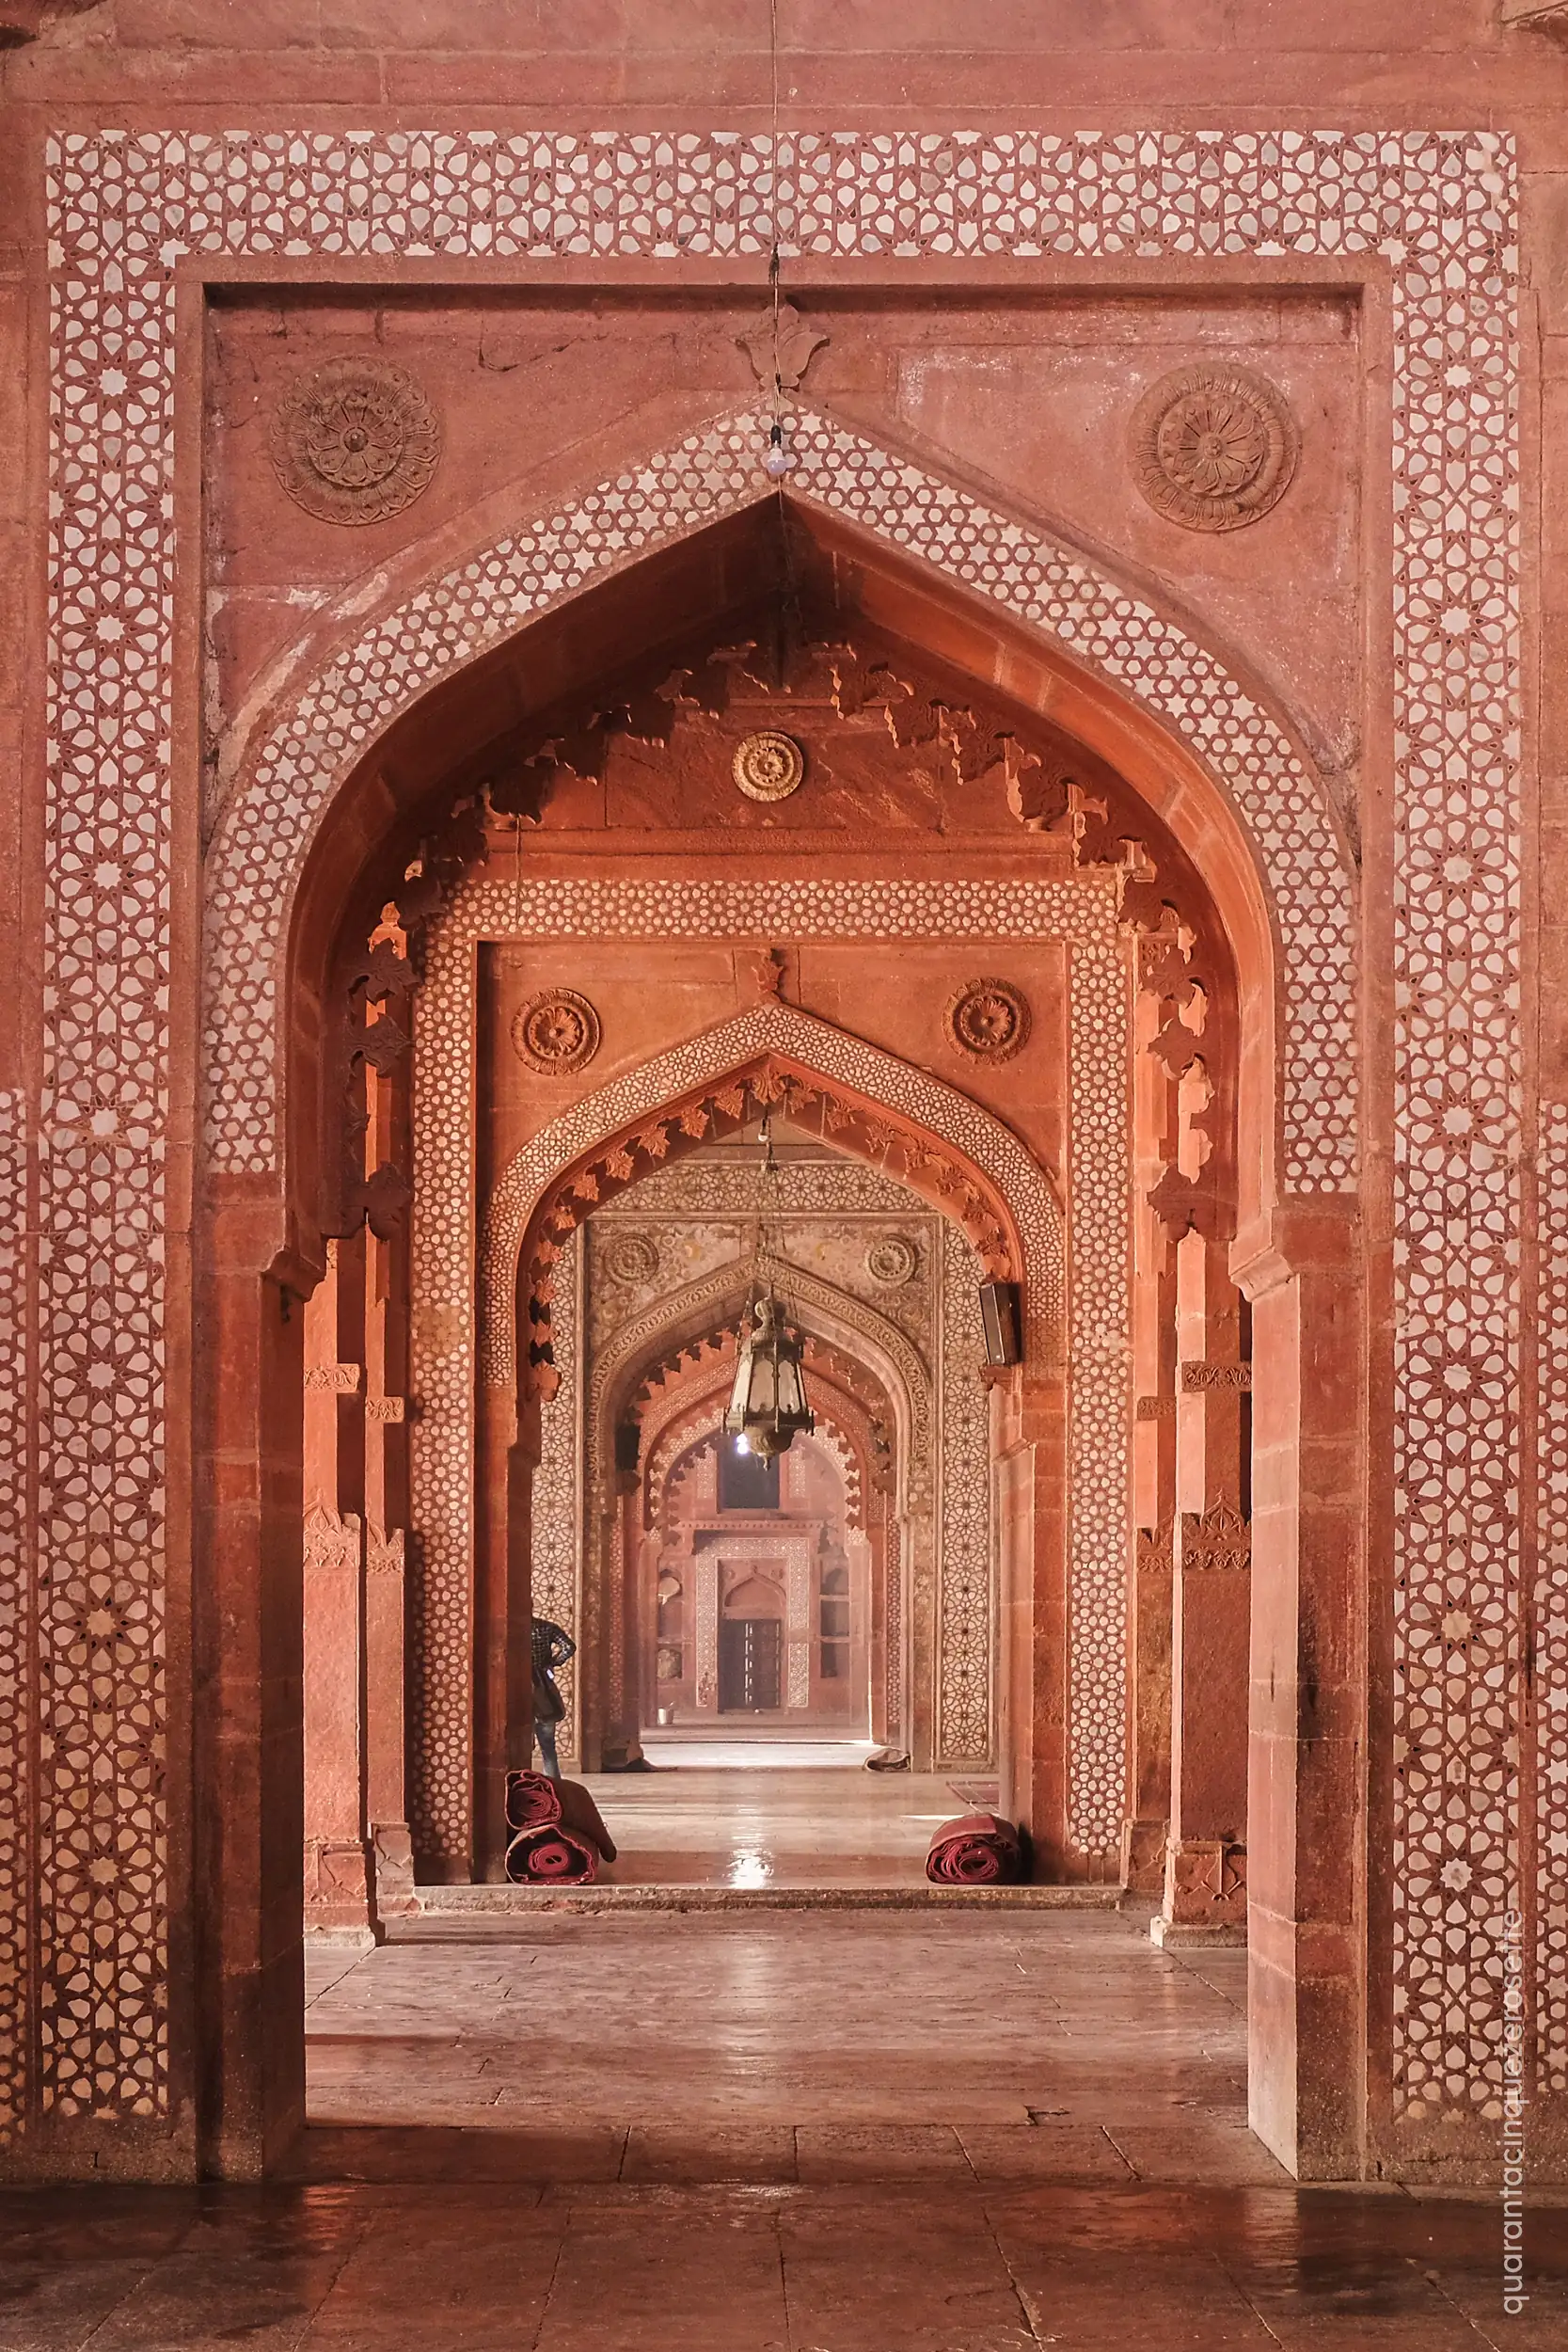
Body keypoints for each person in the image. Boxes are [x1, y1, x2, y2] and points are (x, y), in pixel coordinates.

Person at [531, 1614, 576, 1779]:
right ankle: (553, 1784)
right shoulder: (546, 1627)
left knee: (518, 1744)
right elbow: (569, 1647)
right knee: (548, 1746)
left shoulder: (512, 1630)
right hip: (544, 1687)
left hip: (516, 1687)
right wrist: (552, 1663)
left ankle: (520, 1783)